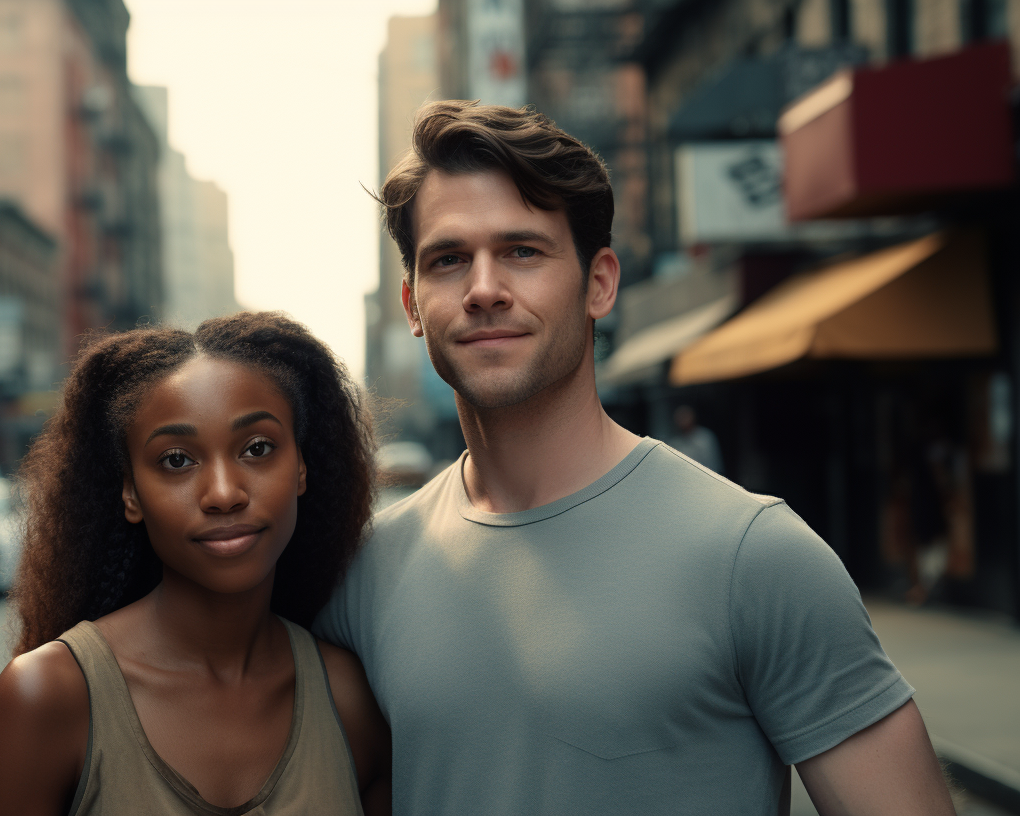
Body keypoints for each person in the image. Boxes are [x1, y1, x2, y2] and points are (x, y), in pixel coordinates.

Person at [313, 100, 954, 815]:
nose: (484, 288)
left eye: (522, 251)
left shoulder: (755, 555)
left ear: (600, 283)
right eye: (449, 260)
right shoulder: (364, 575)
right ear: (411, 303)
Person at [0, 312, 391, 816]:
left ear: (300, 467)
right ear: (130, 492)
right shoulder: (47, 698)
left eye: (257, 449)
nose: (224, 494)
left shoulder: (350, 699)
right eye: (176, 460)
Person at [667, 404, 724, 474]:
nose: (682, 420)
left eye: (685, 417)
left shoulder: (705, 437)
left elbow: (713, 464)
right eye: (680, 418)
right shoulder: (675, 442)